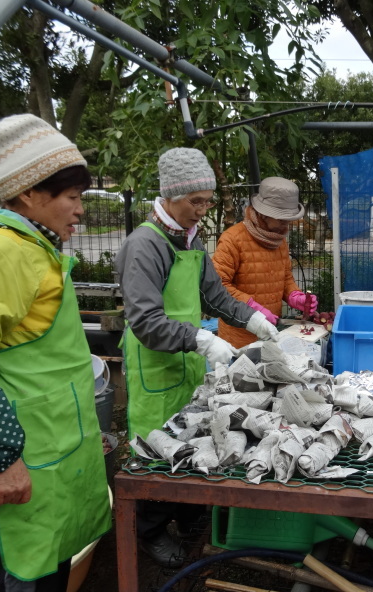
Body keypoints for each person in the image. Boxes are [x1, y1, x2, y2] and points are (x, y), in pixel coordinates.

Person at [0, 114, 111, 592]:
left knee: (47, 564)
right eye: (72, 198)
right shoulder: (0, 250)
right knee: (22, 574)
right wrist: (2, 457)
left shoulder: (35, 248)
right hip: (19, 453)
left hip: (48, 445)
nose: (80, 211)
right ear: (31, 193)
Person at [115, 147, 279, 567]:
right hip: (155, 363)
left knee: (195, 437)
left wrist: (254, 319)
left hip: (185, 361)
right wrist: (203, 341)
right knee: (157, 451)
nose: (202, 211)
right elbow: (146, 322)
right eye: (195, 202)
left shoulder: (190, 240)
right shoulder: (145, 246)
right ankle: (148, 531)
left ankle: (187, 517)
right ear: (170, 196)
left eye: (207, 201)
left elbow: (216, 297)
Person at [212, 176, 318, 348]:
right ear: (263, 213)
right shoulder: (232, 239)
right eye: (282, 219)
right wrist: (252, 307)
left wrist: (295, 296)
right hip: (238, 338)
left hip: (270, 335)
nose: (286, 225)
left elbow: (285, 278)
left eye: (289, 219)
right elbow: (219, 286)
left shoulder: (279, 240)